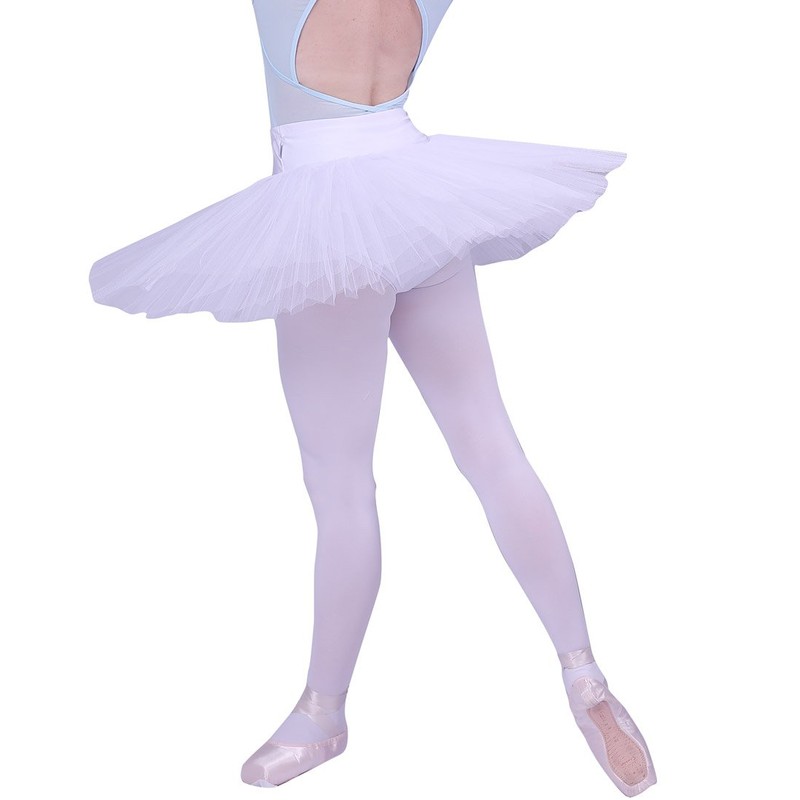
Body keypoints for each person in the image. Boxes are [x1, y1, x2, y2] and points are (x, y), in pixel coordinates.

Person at [88, 1, 656, 795]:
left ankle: (322, 713)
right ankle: (584, 674)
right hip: (418, 195)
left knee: (341, 484)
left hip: (325, 214)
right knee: (492, 448)